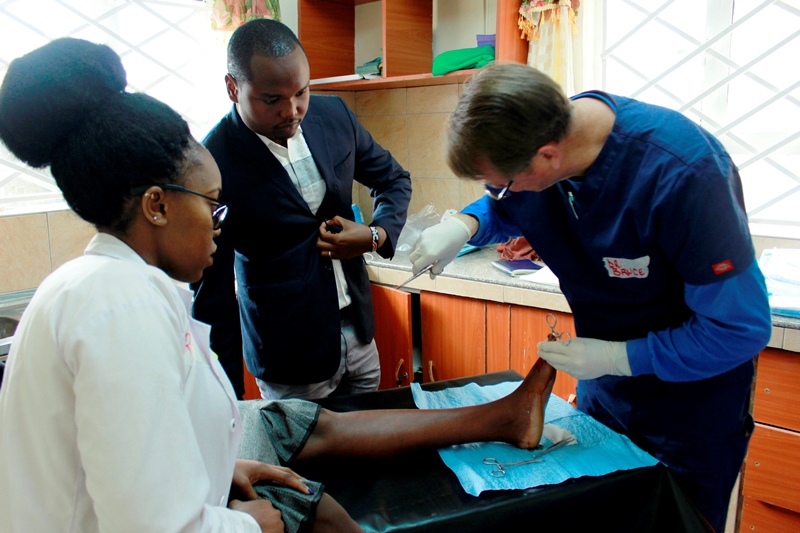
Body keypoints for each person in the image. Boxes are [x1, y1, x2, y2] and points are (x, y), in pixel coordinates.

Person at [0, 39, 557, 533]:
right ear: (156, 205)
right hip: (290, 345)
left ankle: (503, 417)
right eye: (212, 207)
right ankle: (502, 418)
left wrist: (222, 466)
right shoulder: (118, 310)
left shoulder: (115, 288)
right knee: (307, 489)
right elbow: (148, 522)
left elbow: (138, 453)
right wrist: (246, 523)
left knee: (306, 429)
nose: (219, 226)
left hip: (343, 326)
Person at [408, 62, 773, 532]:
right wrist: (467, 223)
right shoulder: (542, 140)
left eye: (501, 184)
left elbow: (739, 330)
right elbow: (512, 204)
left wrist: (620, 357)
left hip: (690, 412)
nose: (498, 194)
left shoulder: (683, 175)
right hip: (605, 392)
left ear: (547, 157)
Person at [192, 19, 412, 401]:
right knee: (303, 446)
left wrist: (375, 234)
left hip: (360, 335)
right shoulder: (212, 162)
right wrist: (227, 403)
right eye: (272, 100)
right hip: (289, 359)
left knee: (371, 438)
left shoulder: (334, 115)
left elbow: (394, 180)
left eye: (301, 92)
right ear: (233, 88)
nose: (292, 110)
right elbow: (212, 297)